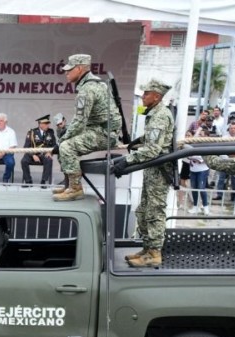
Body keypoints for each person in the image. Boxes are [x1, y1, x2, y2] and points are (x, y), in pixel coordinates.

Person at [53, 54, 123, 201]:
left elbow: (79, 121)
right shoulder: (97, 83)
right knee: (64, 142)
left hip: (104, 133)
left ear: (79, 69)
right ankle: (69, 184)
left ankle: (75, 189)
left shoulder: (87, 90)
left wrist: (62, 141)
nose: (66, 73)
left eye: (69, 70)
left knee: (65, 146)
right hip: (100, 129)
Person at [121, 79, 175, 268]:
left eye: (146, 93)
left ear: (157, 97)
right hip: (153, 170)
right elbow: (153, 139)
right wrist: (138, 141)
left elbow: (153, 149)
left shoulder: (160, 116)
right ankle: (147, 248)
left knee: (154, 212)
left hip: (159, 171)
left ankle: (154, 253)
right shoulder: (155, 114)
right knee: (143, 211)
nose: (143, 97)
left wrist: (126, 160)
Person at [23, 115, 57, 186]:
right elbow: (26, 147)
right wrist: (33, 155)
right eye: (46, 123)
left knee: (49, 160)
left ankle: (43, 181)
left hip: (44, 154)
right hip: (33, 154)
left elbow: (54, 145)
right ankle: (28, 181)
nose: (48, 125)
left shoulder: (50, 132)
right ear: (40, 124)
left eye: (48, 123)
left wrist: (50, 152)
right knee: (24, 161)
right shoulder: (32, 132)